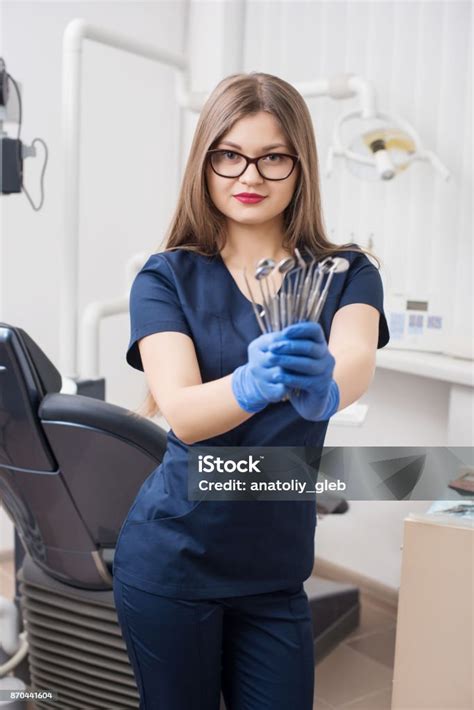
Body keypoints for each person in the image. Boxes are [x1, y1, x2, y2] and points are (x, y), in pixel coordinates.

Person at [112, 72, 390, 710]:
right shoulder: (166, 277)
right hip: (173, 559)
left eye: (273, 157)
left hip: (274, 571)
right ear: (206, 163)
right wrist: (249, 382)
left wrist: (326, 387)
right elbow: (182, 414)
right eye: (230, 155)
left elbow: (355, 361)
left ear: (300, 166)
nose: (250, 175)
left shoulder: (346, 272)